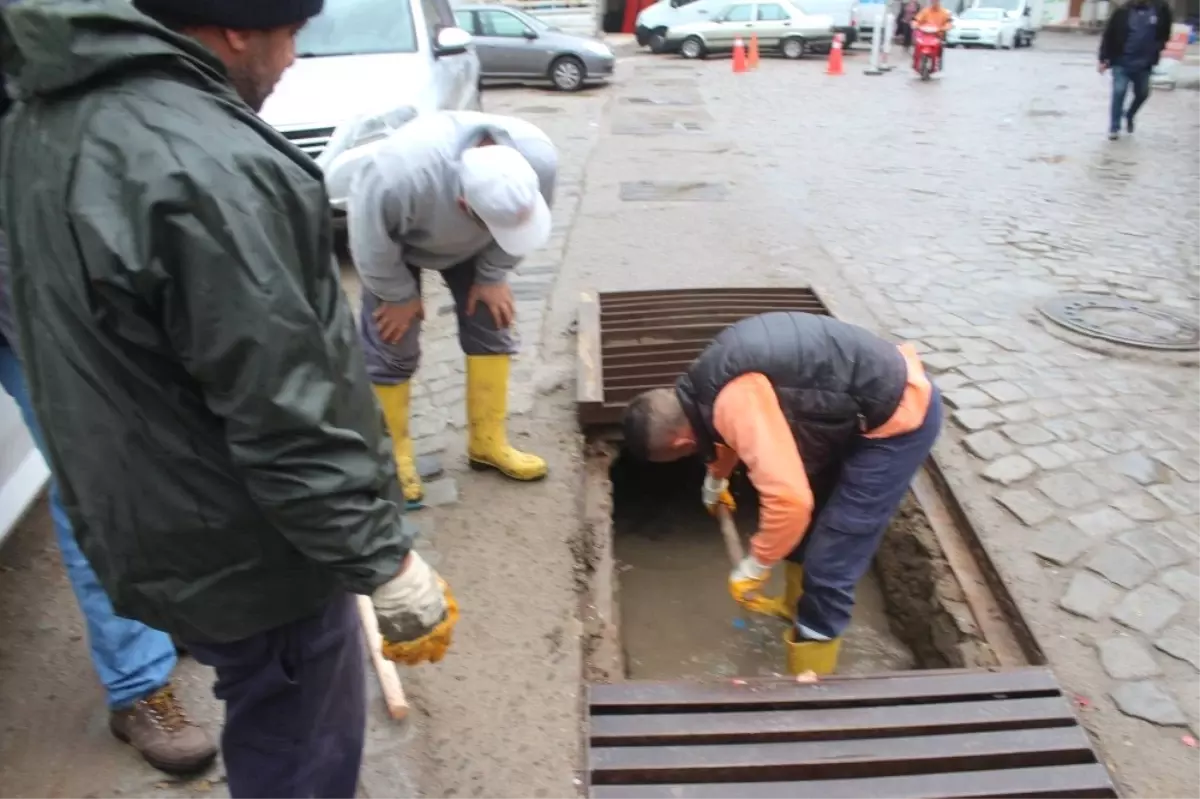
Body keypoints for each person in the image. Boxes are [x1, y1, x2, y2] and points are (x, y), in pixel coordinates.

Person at [0, 1, 457, 796]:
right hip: (250, 548)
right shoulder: (209, 166)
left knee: (265, 705)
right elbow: (287, 408)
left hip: (147, 512)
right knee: (299, 739)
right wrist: (382, 559)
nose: (291, 61)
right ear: (238, 28)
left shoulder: (45, 117)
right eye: (290, 36)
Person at [0, 232, 217, 775]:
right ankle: (138, 683)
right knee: (93, 490)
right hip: (27, 306)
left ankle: (150, 637)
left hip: (36, 297)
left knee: (113, 476)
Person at [621, 312, 942, 676]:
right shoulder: (702, 382)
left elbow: (790, 503)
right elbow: (725, 431)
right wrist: (717, 479)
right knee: (805, 522)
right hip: (849, 407)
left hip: (898, 415)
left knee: (832, 558)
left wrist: (755, 565)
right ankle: (793, 608)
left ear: (681, 443)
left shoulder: (733, 400)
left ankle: (810, 680)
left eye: (678, 456)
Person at [324, 109, 557, 506]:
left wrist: (493, 275)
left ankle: (487, 442)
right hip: (397, 244)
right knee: (391, 342)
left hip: (479, 250)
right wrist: (398, 295)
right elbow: (368, 238)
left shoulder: (537, 159)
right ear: (464, 201)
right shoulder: (399, 175)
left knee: (493, 322)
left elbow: (527, 222)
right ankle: (393, 459)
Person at [1098, 0, 1173, 140]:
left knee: (1143, 93)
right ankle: (1114, 127)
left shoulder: (1160, 9)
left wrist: (1159, 47)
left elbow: (1165, 31)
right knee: (1119, 91)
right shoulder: (1122, 12)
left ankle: (1130, 114)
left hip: (1144, 64)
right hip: (1121, 61)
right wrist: (1103, 58)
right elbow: (1109, 34)